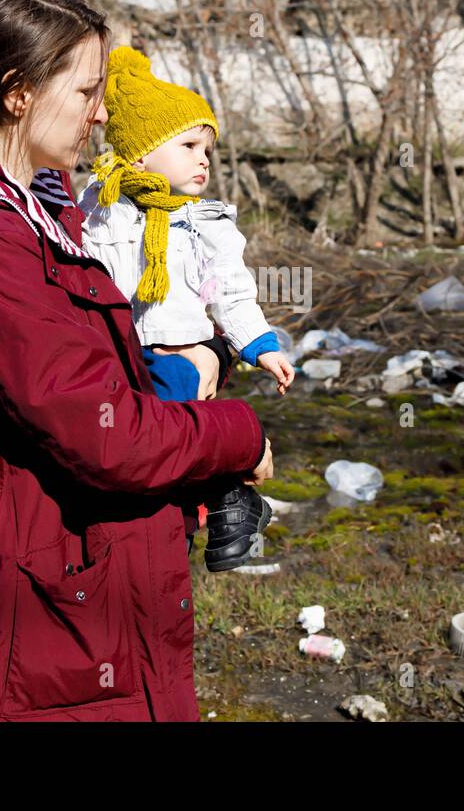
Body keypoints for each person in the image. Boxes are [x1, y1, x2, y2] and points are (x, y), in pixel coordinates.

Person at [0, 0, 273, 721]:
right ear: (19, 93)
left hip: (62, 571)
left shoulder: (51, 214)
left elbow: (92, 380)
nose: (102, 114)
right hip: (37, 593)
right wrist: (238, 436)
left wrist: (205, 355)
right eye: (88, 91)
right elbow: (105, 435)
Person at [73, 46, 295, 571]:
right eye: (190, 144)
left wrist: (259, 346)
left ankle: (224, 502)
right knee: (144, 434)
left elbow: (233, 293)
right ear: (141, 154)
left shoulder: (207, 224)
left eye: (209, 150)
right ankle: (214, 505)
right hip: (125, 353)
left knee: (174, 422)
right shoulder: (104, 208)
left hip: (182, 350)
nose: (204, 159)